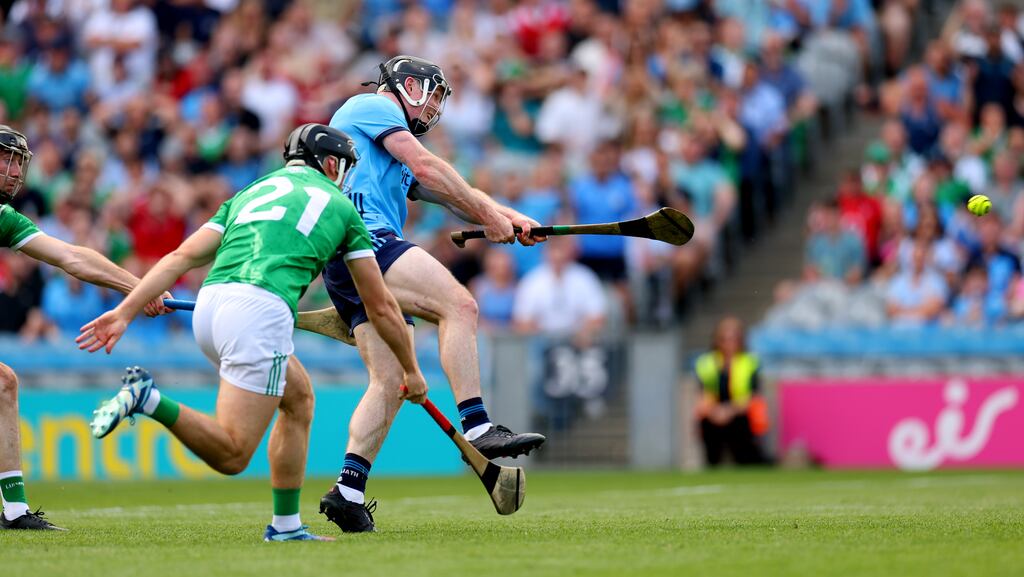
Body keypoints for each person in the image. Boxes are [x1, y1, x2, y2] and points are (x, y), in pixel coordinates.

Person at [76, 124, 427, 542]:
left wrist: (124, 311)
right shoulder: (342, 207)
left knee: (298, 398)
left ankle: (286, 526)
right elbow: (382, 306)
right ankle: (147, 398)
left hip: (209, 307)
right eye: (345, 168)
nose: (346, 177)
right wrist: (411, 370)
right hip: (259, 313)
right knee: (233, 453)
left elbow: (181, 257)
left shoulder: (249, 193)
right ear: (331, 163)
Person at [318, 55, 546, 533]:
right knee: (459, 304)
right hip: (364, 238)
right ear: (406, 85)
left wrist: (510, 216)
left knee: (389, 381)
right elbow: (428, 165)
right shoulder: (374, 107)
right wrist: (489, 216)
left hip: (344, 260)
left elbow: (446, 190)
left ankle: (348, 490)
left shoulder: (387, 151)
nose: (438, 104)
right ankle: (479, 427)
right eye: (435, 92)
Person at [0, 125, 167, 531]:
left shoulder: (3, 217)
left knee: (4, 383)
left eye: (19, 162)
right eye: (6, 159)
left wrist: (137, 289)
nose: (15, 170)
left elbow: (72, 257)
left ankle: (14, 510)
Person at [694, 316, 767, 466]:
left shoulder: (749, 362)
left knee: (746, 454)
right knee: (707, 426)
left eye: (734, 338)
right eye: (725, 339)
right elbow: (704, 394)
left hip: (739, 415)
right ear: (717, 340)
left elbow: (752, 396)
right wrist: (716, 411)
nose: (729, 343)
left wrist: (729, 411)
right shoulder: (706, 362)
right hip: (714, 415)